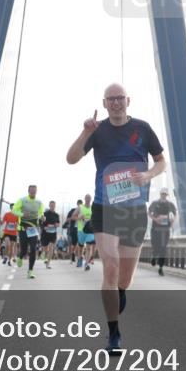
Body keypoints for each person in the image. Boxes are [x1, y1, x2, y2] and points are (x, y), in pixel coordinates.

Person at [67, 83, 166, 354]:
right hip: (104, 208)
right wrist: (85, 132)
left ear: (128, 100)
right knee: (110, 266)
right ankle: (114, 334)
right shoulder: (97, 131)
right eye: (110, 99)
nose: (115, 103)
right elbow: (71, 158)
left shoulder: (143, 129)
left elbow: (160, 161)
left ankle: (117, 294)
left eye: (119, 98)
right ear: (105, 102)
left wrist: (148, 175)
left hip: (134, 210)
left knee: (124, 280)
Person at [13, 185, 45, 278]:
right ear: (28, 191)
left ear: (36, 191)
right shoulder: (22, 200)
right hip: (23, 229)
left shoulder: (39, 202)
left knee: (33, 249)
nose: (33, 193)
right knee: (24, 249)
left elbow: (41, 213)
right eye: (31, 191)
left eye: (34, 191)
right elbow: (14, 210)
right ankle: (20, 257)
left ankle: (30, 271)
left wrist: (43, 216)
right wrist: (22, 214)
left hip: (33, 229)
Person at [148, 187, 177, 276]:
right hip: (155, 228)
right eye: (162, 194)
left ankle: (161, 267)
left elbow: (175, 214)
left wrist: (172, 221)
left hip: (165, 229)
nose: (163, 195)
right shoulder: (155, 203)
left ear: (167, 195)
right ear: (160, 194)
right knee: (155, 246)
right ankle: (154, 256)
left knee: (163, 248)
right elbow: (149, 212)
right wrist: (155, 219)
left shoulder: (170, 204)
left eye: (165, 194)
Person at [40, 200, 61, 269]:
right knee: (46, 248)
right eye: (51, 205)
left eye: (53, 206)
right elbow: (40, 223)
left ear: (55, 206)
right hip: (45, 233)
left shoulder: (56, 215)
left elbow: (58, 223)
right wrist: (44, 227)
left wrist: (56, 225)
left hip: (53, 233)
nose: (52, 207)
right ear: (49, 206)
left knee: (51, 248)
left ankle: (48, 263)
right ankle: (45, 255)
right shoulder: (45, 214)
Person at [77, 194, 95, 270]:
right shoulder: (80, 207)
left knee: (88, 247)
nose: (88, 199)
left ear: (91, 199)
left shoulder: (93, 208)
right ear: (84, 199)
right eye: (86, 198)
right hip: (81, 229)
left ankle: (86, 264)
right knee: (80, 247)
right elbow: (73, 217)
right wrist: (79, 217)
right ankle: (80, 259)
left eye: (89, 198)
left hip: (90, 230)